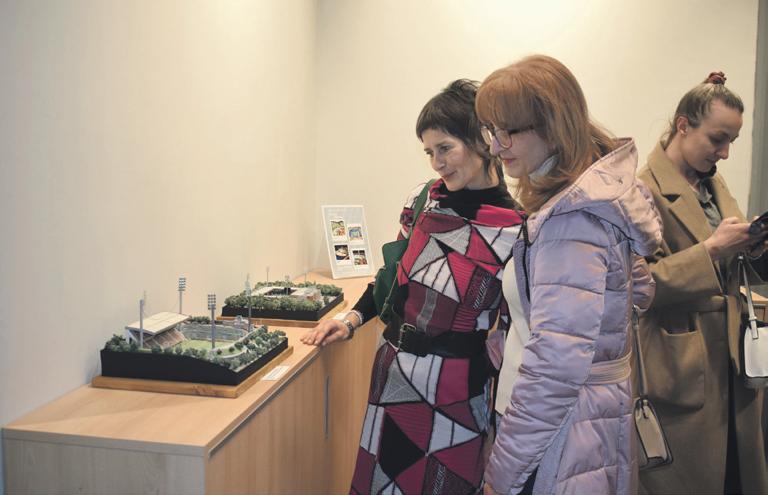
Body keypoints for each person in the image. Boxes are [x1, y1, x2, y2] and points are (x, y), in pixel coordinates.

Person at [301, 79, 525, 494]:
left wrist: (504, 425)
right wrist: (350, 320)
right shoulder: (423, 202)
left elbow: (514, 336)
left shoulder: (515, 229)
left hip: (459, 392)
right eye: (429, 152)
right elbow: (391, 281)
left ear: (481, 139)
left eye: (445, 148)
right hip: (394, 376)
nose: (437, 163)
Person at [475, 54, 662, 495]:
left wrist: (503, 472)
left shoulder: (570, 220)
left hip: (559, 436)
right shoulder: (590, 203)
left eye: (507, 132)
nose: (495, 147)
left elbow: (554, 368)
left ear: (552, 127)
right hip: (582, 422)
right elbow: (638, 292)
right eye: (490, 131)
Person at [636, 72, 768, 495]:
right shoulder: (641, 191)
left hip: (730, 356)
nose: (724, 152)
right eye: (717, 138)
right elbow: (639, 286)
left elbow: (732, 262)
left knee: (735, 474)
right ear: (683, 125)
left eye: (732, 141)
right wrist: (711, 250)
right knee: (689, 475)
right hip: (681, 361)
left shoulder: (713, 182)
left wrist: (753, 247)